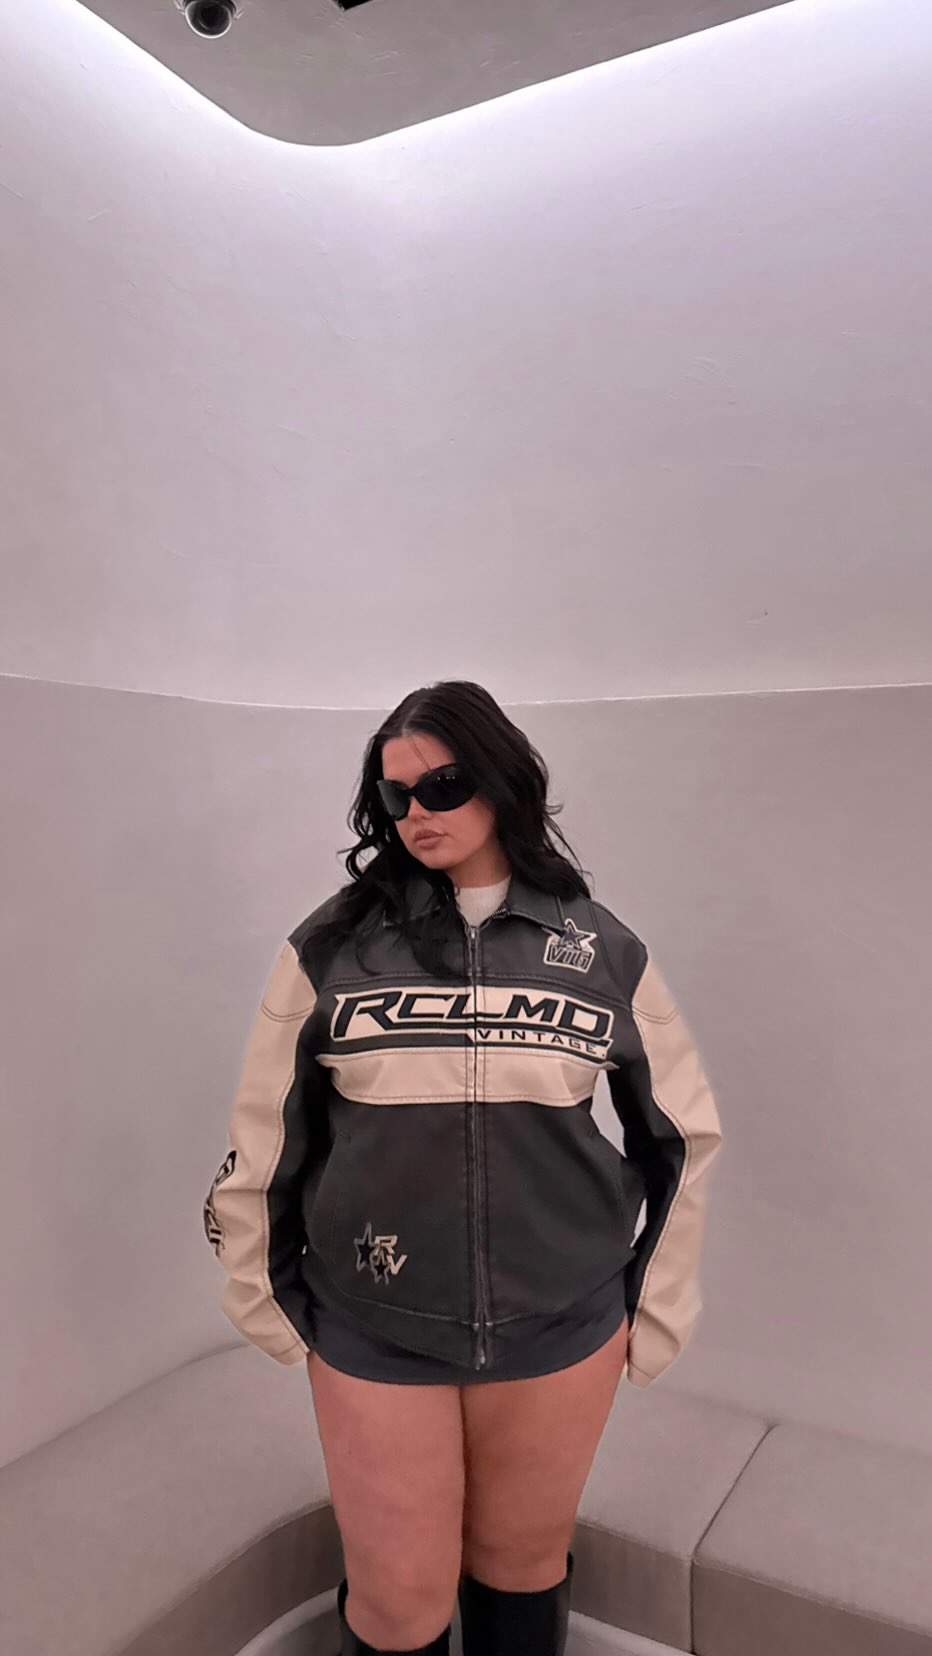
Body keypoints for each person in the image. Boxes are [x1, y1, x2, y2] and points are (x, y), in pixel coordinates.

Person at [204, 679, 723, 1656]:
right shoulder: (329, 950)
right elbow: (266, 1132)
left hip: (562, 1321)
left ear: (501, 781)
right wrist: (262, 1293)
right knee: (399, 1598)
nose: (416, 813)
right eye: (394, 795)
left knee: (520, 1565)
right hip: (374, 1321)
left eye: (441, 786)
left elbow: (681, 1138)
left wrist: (653, 1304)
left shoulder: (601, 952)